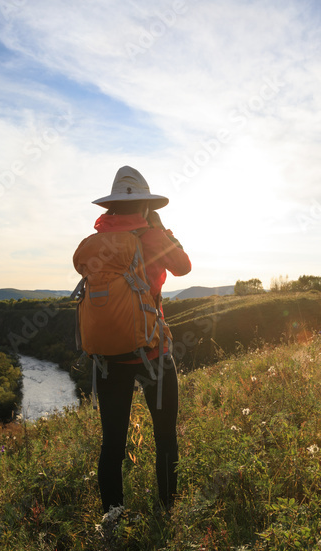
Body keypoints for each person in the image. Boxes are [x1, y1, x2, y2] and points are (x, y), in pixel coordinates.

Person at [72, 165, 191, 522]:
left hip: (108, 358)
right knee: (165, 436)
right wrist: (162, 230)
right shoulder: (152, 236)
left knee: (112, 444)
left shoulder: (95, 243)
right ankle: (167, 512)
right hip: (153, 352)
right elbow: (183, 267)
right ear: (144, 205)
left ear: (110, 208)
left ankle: (113, 517)